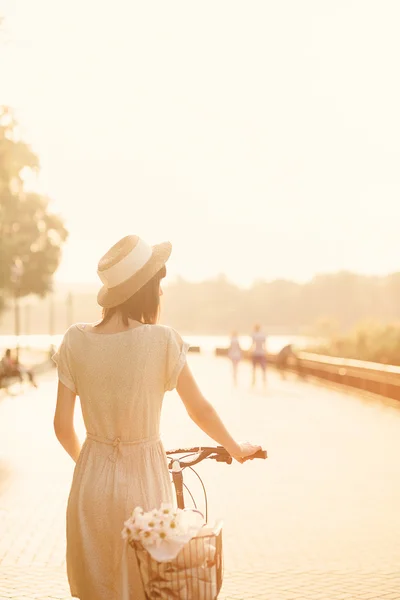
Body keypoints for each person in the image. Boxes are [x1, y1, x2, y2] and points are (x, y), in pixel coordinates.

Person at [52, 234, 262, 600]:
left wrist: (91, 465)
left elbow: (61, 425)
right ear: (147, 290)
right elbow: (200, 409)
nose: (162, 294)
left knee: (97, 588)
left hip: (90, 484)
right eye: (159, 284)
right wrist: (236, 448)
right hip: (143, 479)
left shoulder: (75, 340)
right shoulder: (162, 341)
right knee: (147, 586)